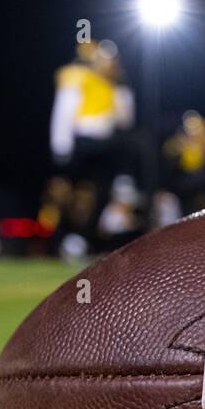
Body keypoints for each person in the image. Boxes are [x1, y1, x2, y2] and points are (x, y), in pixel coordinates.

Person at [49, 39, 136, 255]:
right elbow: (63, 113)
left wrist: (122, 91)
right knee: (67, 192)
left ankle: (82, 238)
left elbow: (126, 121)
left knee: (102, 193)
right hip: (81, 141)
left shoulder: (115, 86)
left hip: (105, 144)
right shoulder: (78, 76)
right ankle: (58, 237)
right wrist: (61, 145)